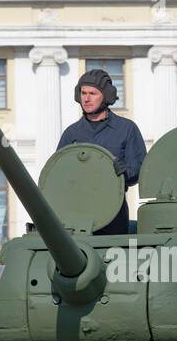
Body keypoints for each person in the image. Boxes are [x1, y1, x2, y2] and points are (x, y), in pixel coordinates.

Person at [56, 68, 148, 234]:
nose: (87, 98)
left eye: (93, 93)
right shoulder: (72, 134)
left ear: (106, 96)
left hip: (113, 214)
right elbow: (57, 173)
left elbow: (141, 168)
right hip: (76, 216)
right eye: (83, 93)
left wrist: (125, 171)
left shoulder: (126, 129)